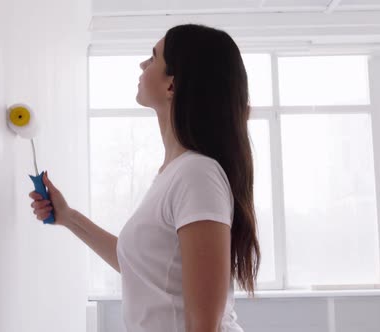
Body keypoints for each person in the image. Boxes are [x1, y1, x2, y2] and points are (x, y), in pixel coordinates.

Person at [29, 23, 260, 332]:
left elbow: (204, 325)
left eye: (153, 58)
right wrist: (69, 217)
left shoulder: (197, 175)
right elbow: (139, 268)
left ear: (172, 86)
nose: (142, 64)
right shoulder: (175, 173)